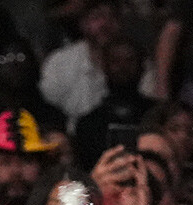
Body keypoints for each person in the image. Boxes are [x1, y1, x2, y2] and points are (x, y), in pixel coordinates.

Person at [41, 0, 160, 128]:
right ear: (82, 23)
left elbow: (149, 101)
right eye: (96, 17)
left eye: (112, 17)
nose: (105, 24)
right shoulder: (60, 62)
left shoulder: (136, 61)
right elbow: (48, 106)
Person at [67, 38, 161, 168]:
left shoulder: (158, 117)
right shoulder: (88, 124)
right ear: (104, 66)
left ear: (142, 66)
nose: (123, 67)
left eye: (129, 60)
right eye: (116, 61)